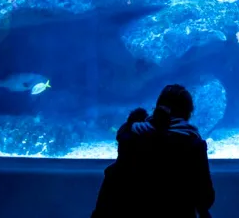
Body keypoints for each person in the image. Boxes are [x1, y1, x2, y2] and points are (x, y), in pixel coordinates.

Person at [90, 84, 215, 218]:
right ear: (188, 112)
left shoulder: (131, 137)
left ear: (158, 108)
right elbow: (206, 197)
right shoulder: (193, 144)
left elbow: (113, 184)